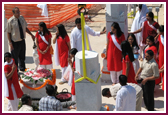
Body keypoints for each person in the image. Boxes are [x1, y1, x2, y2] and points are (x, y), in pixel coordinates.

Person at [7, 7, 35, 71]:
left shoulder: (21, 18)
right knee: (15, 57)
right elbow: (8, 32)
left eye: (19, 12)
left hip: (22, 41)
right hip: (15, 42)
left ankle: (22, 68)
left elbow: (25, 28)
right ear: (13, 13)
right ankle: (15, 71)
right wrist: (10, 43)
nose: (18, 13)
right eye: (17, 12)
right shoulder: (10, 21)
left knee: (22, 56)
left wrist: (31, 34)